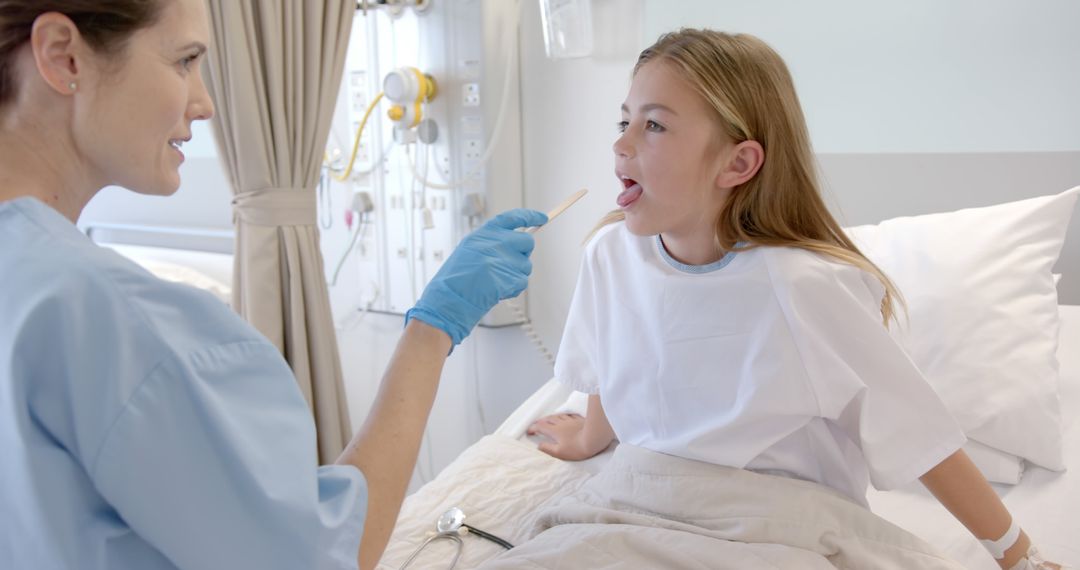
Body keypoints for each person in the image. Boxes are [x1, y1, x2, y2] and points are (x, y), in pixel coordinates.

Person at [0, 1, 546, 569]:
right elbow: (324, 555)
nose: (206, 103)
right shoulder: (120, 326)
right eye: (185, 60)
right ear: (64, 56)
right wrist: (435, 326)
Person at [527, 29, 1061, 570]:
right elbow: (611, 368)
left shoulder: (802, 287)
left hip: (770, 523)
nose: (621, 144)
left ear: (737, 164)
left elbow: (917, 433)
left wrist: (1019, 555)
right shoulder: (609, 255)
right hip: (640, 497)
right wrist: (592, 437)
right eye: (625, 121)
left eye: (655, 125)